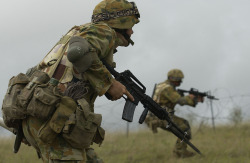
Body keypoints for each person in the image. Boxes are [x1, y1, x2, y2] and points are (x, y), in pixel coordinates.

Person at [21, 0, 140, 162]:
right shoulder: (104, 31)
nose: (132, 31)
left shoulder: (76, 33)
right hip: (55, 121)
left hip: (40, 116)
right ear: (120, 22)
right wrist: (110, 84)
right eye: (131, 24)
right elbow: (77, 53)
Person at [145, 69, 203, 158]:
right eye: (178, 80)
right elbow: (181, 101)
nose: (180, 82)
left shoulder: (162, 85)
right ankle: (180, 152)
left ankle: (180, 152)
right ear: (172, 79)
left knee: (183, 126)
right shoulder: (168, 88)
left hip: (155, 115)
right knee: (184, 127)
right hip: (161, 117)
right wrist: (193, 98)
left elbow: (172, 98)